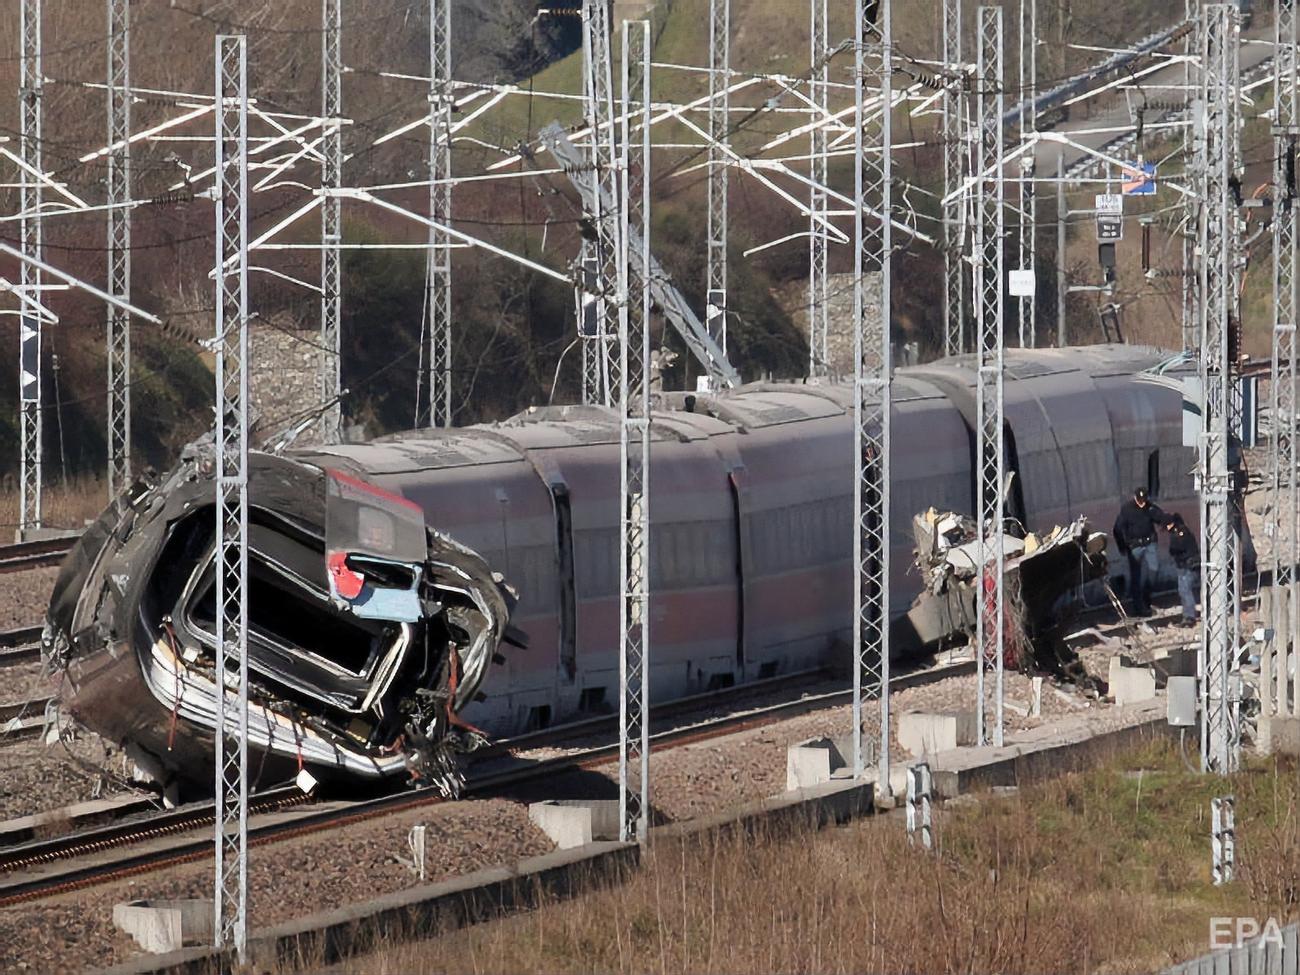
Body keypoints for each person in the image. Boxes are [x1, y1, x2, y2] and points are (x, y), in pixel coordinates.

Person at [1112, 487, 1165, 616]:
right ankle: (1138, 607)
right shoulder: (1127, 509)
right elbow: (1117, 529)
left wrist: (1167, 523)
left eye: (1144, 500)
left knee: (1154, 570)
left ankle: (1146, 598)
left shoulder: (1149, 507)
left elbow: (1160, 517)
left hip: (1149, 543)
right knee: (1136, 577)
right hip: (1135, 546)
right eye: (1140, 500)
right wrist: (1122, 547)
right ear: (1135, 497)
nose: (1142, 503)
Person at [1165, 513, 1199, 624]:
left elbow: (1175, 548)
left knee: (1186, 591)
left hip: (1187, 566)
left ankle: (1189, 616)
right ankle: (1187, 614)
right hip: (1183, 566)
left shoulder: (1181, 532)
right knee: (1183, 591)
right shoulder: (1180, 532)